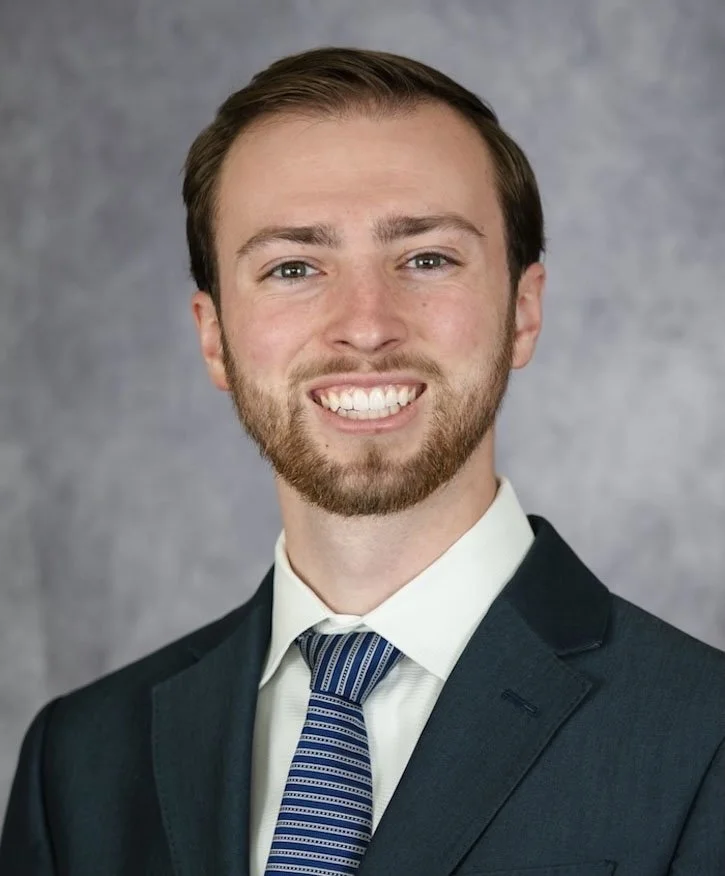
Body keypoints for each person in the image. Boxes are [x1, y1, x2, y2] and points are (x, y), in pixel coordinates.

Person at [1, 47, 723, 876]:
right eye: (294, 267)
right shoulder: (80, 762)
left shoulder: (704, 739)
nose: (367, 325)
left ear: (523, 311)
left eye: (425, 258)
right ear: (214, 337)